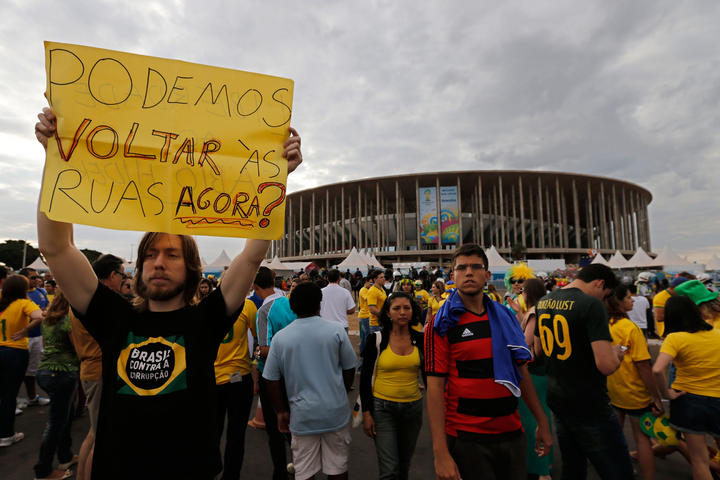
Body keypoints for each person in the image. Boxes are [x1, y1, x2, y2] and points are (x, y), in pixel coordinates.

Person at [35, 106, 302, 479]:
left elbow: (251, 255)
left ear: (191, 268)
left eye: (171, 254)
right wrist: (55, 159)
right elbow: (56, 248)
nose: (158, 262)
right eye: (150, 255)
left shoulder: (206, 319)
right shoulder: (113, 317)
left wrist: (277, 176)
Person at [425, 244, 552, 480]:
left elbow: (521, 372)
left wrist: (542, 421)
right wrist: (440, 452)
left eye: (476, 267)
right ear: (452, 276)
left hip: (511, 433)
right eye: (462, 268)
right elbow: (434, 389)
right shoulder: (442, 324)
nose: (469, 272)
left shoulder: (506, 317)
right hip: (466, 438)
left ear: (487, 275)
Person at [535, 263, 633, 479]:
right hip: (588, 401)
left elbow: (538, 350)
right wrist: (616, 355)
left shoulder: (544, 301)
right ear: (600, 283)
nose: (604, 300)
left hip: (558, 397)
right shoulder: (590, 305)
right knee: (618, 471)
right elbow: (606, 365)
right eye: (605, 294)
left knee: (573, 467)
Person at [263, 282, 357, 480]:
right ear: (319, 303)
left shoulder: (281, 338)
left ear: (292, 306)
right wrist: (342, 389)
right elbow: (350, 367)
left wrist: (281, 411)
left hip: (301, 415)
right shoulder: (336, 331)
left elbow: (271, 379)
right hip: (335, 412)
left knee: (304, 472)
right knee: (338, 468)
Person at [652, 296, 720, 480]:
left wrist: (667, 394)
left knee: (699, 461)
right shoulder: (717, 333)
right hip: (718, 399)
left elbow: (657, 370)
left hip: (688, 401)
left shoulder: (675, 338)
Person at [69, 253, 124, 480]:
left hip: (89, 368)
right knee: (101, 439)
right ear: (112, 275)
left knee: (93, 434)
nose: (123, 279)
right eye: (121, 275)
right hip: (100, 371)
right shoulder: (99, 302)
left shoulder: (83, 298)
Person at [360, 292, 425, 479]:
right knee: (389, 470)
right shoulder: (376, 340)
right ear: (388, 313)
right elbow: (365, 379)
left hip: (413, 409)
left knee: (404, 466)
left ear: (413, 311)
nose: (402, 312)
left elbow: (429, 378)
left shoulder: (420, 340)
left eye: (407, 308)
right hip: (382, 408)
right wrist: (367, 413)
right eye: (397, 308)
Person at [606, 284, 663, 480]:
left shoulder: (605, 325)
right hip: (635, 392)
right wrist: (656, 396)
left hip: (613, 389)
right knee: (643, 439)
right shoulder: (630, 328)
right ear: (618, 301)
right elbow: (644, 365)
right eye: (628, 297)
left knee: (614, 437)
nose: (632, 300)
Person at [254, 267, 296, 480]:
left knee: (275, 427)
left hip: (273, 377)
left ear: (255, 286)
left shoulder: (264, 311)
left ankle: (279, 472)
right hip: (296, 373)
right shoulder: (290, 302)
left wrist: (257, 354)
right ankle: (302, 467)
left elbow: (265, 349)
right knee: (295, 426)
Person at [33, 291, 81, 480]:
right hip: (63, 373)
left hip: (44, 372)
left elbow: (46, 345)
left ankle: (65, 456)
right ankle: (43, 471)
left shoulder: (48, 320)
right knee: (55, 423)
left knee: (66, 416)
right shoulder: (69, 321)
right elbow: (78, 349)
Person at [214, 297, 258, 480]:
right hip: (238, 376)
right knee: (236, 434)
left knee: (211, 432)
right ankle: (231, 476)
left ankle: (210, 470)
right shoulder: (247, 305)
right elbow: (257, 333)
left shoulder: (206, 304)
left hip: (212, 377)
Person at [517, 278, 554, 480]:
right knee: (542, 417)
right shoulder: (544, 308)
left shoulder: (534, 312)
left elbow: (525, 344)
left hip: (533, 372)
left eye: (522, 290)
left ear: (528, 292)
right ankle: (546, 463)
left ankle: (540, 468)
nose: (520, 293)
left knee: (532, 421)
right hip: (543, 372)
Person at [0, 275, 43, 447]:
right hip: (15, 352)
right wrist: (26, 330)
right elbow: (40, 316)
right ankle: (6, 435)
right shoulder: (24, 303)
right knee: (9, 395)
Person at [19, 267, 51, 408]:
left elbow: (48, 309)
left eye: (37, 277)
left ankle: (32, 397)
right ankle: (10, 401)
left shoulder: (41, 292)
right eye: (33, 277)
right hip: (21, 338)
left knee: (32, 371)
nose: (37, 280)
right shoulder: (17, 294)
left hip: (37, 336)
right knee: (15, 370)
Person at [367, 270, 388, 335]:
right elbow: (372, 309)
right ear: (375, 279)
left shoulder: (382, 289)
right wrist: (384, 316)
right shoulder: (372, 291)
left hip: (382, 323)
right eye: (381, 277)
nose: (384, 279)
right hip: (376, 324)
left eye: (384, 277)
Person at [357, 277, 372, 356]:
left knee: (364, 335)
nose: (371, 284)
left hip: (366, 315)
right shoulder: (363, 290)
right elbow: (368, 299)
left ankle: (362, 351)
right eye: (370, 282)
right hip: (365, 315)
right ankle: (366, 352)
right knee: (367, 335)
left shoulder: (367, 289)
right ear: (366, 282)